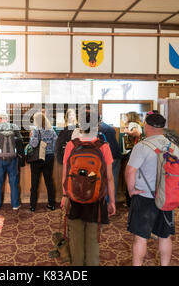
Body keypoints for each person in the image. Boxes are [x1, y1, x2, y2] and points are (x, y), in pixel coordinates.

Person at [60, 106, 116, 266]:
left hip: (74, 197)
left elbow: (65, 174)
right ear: (96, 126)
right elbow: (110, 178)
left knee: (76, 240)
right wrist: (111, 201)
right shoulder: (103, 147)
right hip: (96, 200)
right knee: (93, 240)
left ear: (80, 125)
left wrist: (64, 196)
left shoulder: (72, 145)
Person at [125, 111, 179, 266]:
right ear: (163, 127)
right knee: (165, 236)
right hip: (166, 197)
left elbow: (130, 171)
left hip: (144, 196)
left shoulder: (141, 146)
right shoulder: (174, 148)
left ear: (147, 126)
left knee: (140, 237)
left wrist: (131, 191)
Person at [0, 113, 23, 211]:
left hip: (0, 158)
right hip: (13, 158)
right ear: (7, 119)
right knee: (13, 182)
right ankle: (15, 204)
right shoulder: (14, 126)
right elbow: (20, 140)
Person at [29, 112, 57, 212]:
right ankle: (52, 204)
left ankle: (32, 206)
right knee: (49, 181)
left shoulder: (36, 130)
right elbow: (55, 144)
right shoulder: (51, 130)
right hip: (49, 158)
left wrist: (31, 136)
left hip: (37, 159)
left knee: (34, 183)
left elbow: (33, 144)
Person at [122, 111, 143, 207]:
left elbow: (136, 133)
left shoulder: (132, 124)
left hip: (132, 152)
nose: (125, 119)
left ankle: (129, 202)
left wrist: (127, 132)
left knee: (130, 177)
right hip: (137, 152)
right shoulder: (137, 124)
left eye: (126, 117)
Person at [99, 117, 122, 205]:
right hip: (114, 155)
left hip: (111, 157)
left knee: (109, 180)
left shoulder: (102, 129)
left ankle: (107, 204)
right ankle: (109, 203)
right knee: (112, 180)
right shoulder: (106, 127)